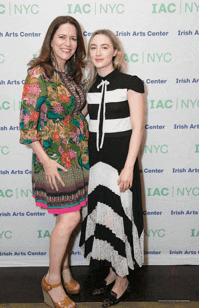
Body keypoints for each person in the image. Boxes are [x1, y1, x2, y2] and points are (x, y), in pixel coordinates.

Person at [19, 16, 89, 308]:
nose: (68, 43)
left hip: (77, 155)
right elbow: (27, 124)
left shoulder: (71, 73)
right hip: (53, 158)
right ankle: (52, 280)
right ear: (51, 40)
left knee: (70, 217)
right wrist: (45, 161)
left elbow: (76, 112)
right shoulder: (39, 73)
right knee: (70, 217)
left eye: (73, 38)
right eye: (62, 37)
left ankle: (63, 268)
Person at [80, 29, 144, 307]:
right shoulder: (89, 88)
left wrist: (129, 167)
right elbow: (80, 122)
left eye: (104, 47)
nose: (98, 52)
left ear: (115, 52)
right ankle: (110, 270)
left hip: (121, 163)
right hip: (96, 163)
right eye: (93, 47)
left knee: (121, 217)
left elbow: (138, 128)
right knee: (104, 217)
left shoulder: (132, 82)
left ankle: (123, 279)